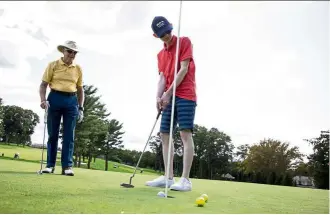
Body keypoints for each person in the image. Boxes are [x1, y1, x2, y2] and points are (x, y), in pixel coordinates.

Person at [145, 16, 197, 191]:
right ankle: (168, 177)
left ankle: (185, 180)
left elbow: (183, 69)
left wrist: (167, 94)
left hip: (185, 94)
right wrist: (158, 98)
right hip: (168, 96)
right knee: (164, 134)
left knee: (184, 134)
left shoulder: (184, 42)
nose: (166, 35)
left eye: (168, 31)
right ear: (155, 35)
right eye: (162, 34)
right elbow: (161, 78)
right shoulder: (160, 55)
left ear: (171, 28)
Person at [39, 40, 84, 176]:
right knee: (53, 134)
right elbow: (43, 85)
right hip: (54, 98)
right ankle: (50, 165)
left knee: (69, 135)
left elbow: (80, 89)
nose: (72, 54)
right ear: (63, 51)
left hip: (71, 101)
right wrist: (43, 100)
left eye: (74, 52)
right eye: (69, 51)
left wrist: (81, 108)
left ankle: (67, 167)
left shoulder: (78, 68)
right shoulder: (53, 65)